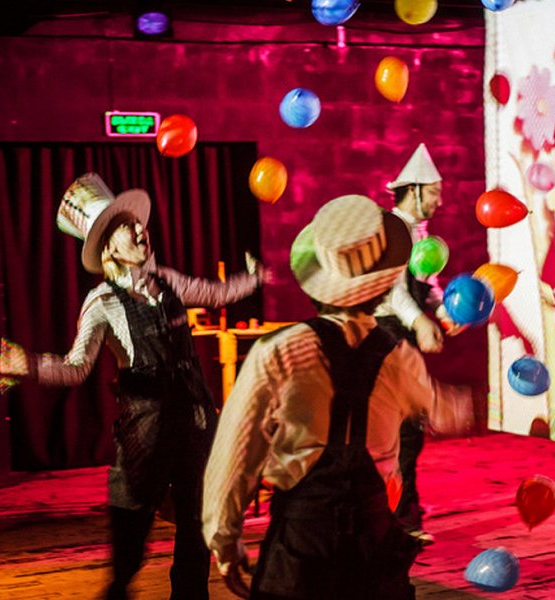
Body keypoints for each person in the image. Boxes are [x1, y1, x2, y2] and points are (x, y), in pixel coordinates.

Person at [0, 173, 265, 600]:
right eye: (127, 227)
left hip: (194, 421)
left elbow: (213, 293)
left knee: (196, 524)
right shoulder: (102, 303)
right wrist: (31, 366)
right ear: (110, 248)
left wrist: (254, 278)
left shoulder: (166, 280)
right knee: (130, 534)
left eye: (138, 223)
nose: (140, 229)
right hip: (145, 431)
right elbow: (76, 368)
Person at [202, 194, 473, 599]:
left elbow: (236, 454)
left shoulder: (277, 352)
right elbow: (444, 411)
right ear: (381, 284)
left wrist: (224, 541)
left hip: (301, 544)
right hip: (373, 544)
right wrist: (463, 404)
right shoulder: (400, 358)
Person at [374, 143, 462, 545]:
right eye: (435, 193)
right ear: (413, 190)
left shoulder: (420, 234)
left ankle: (402, 516)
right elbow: (393, 290)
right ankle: (397, 519)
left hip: (403, 332)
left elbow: (426, 282)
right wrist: (419, 321)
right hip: (386, 333)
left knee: (408, 432)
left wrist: (443, 311)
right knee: (400, 431)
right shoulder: (391, 228)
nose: (440, 201)